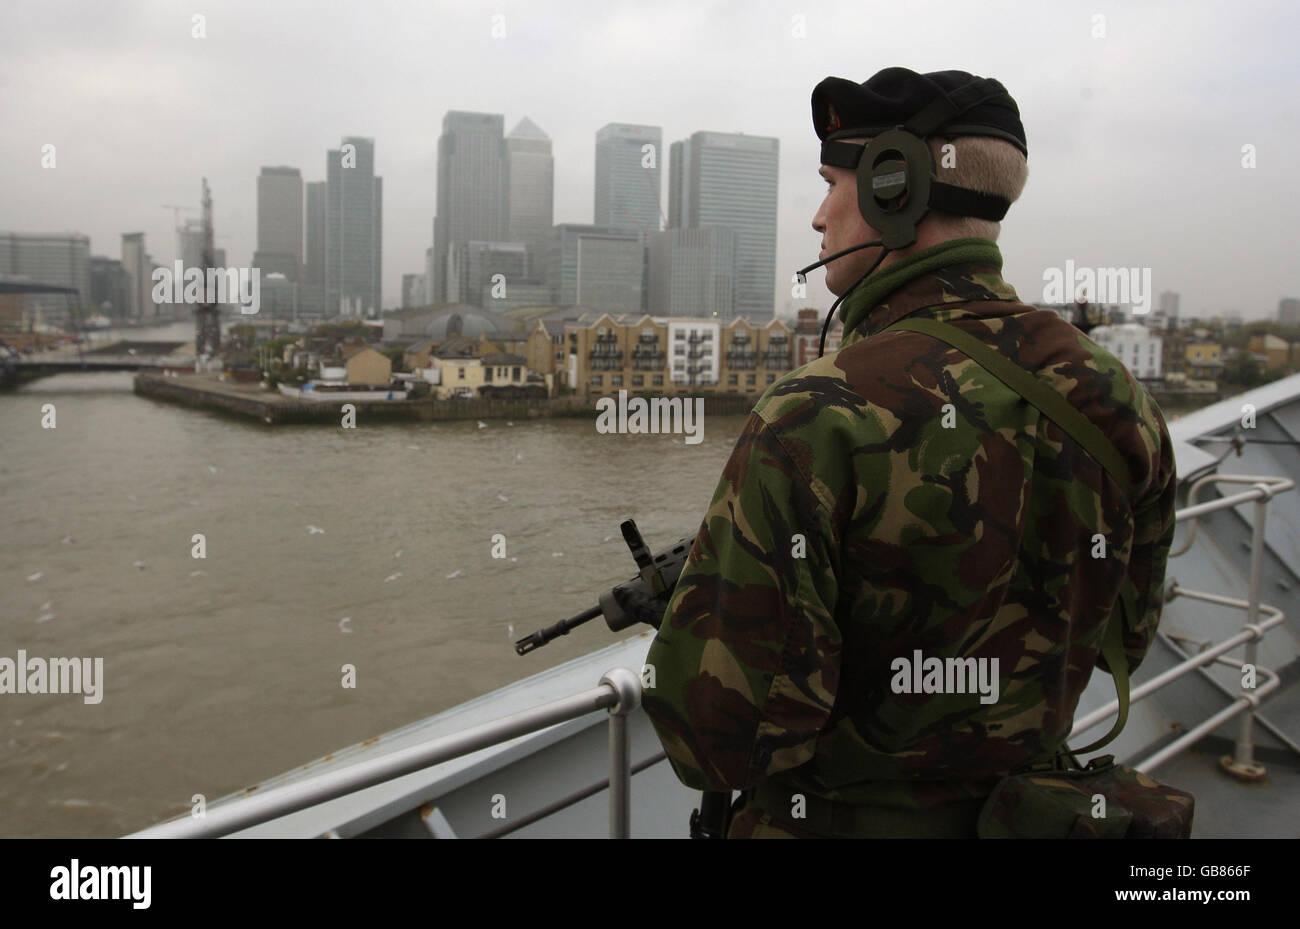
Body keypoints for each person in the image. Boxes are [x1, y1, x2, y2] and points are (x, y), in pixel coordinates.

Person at [640, 67, 1178, 838]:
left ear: (897, 187)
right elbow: (1124, 638)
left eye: (833, 185)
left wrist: (703, 610)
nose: (819, 218)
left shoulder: (816, 414)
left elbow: (721, 738)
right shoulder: (1121, 396)